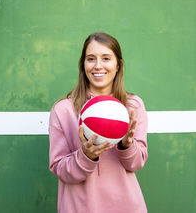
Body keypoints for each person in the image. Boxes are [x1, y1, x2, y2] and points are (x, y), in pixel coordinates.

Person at [49, 32, 148, 213]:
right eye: (91, 59)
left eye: (106, 58)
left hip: (127, 206)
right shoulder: (63, 110)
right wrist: (86, 155)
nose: (98, 65)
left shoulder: (133, 106)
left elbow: (136, 164)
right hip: (80, 207)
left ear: (118, 65)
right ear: (83, 65)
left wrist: (127, 146)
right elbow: (59, 168)